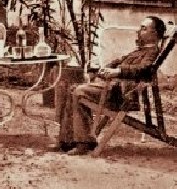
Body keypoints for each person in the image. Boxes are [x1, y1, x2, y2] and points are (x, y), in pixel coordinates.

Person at [53, 16, 166, 155]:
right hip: (114, 87)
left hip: (120, 94)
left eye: (144, 28)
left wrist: (117, 71)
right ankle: (66, 141)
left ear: (154, 34)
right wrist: (106, 68)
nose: (139, 30)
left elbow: (143, 70)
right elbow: (119, 61)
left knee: (78, 91)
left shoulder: (151, 52)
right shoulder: (140, 51)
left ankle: (83, 143)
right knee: (68, 88)